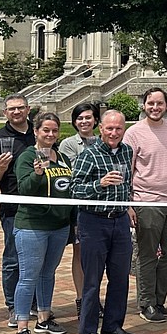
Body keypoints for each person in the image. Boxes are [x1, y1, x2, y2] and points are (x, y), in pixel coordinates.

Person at [70, 110, 137, 334]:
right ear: (101, 129)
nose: (113, 133)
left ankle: (112, 325)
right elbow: (74, 189)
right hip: (93, 221)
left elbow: (127, 184)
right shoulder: (89, 154)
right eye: (109, 128)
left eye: (118, 128)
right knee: (92, 279)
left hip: (118, 220)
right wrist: (100, 184)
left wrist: (128, 205)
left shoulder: (127, 151)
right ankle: (88, 331)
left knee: (120, 277)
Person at [123, 88, 167, 323]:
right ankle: (147, 303)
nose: (155, 107)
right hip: (146, 201)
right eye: (150, 103)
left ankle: (159, 299)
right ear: (144, 105)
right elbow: (127, 171)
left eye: (159, 103)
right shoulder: (134, 133)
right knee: (147, 254)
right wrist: (128, 204)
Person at [11, 113, 74, 334]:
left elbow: (69, 190)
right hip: (32, 226)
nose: (50, 135)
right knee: (28, 276)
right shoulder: (27, 157)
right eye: (45, 130)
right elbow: (24, 189)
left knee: (48, 273)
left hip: (59, 226)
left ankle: (44, 319)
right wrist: (37, 174)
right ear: (36, 132)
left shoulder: (63, 158)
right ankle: (22, 328)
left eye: (54, 131)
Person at [0, 94, 36, 327]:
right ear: (5, 113)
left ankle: (35, 303)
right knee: (14, 259)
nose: (17, 112)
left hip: (40, 208)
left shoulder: (40, 133)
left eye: (21, 108)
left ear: (28, 109)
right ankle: (14, 306)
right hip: (13, 209)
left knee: (39, 259)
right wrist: (0, 168)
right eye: (12, 109)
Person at [57, 103, 99, 317]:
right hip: (78, 206)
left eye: (88, 118)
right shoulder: (68, 145)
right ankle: (82, 298)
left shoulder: (103, 141)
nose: (84, 122)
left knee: (98, 255)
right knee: (80, 252)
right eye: (80, 118)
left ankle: (95, 297)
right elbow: (72, 175)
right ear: (74, 122)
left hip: (101, 206)